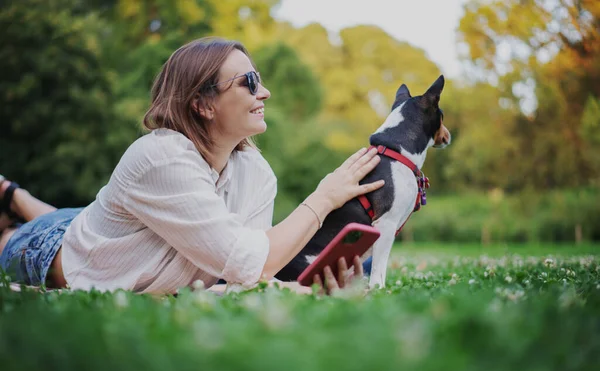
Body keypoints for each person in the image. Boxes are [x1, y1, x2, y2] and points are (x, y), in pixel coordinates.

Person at [0, 37, 384, 295]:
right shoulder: (161, 158)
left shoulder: (257, 173)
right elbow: (255, 263)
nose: (263, 92)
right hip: (50, 249)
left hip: (104, 232)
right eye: (248, 82)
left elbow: (244, 278)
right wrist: (324, 198)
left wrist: (311, 289)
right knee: (15, 235)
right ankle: (12, 202)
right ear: (202, 104)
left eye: (260, 79)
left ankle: (14, 195)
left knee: (84, 221)